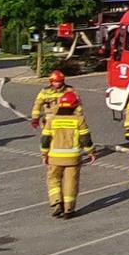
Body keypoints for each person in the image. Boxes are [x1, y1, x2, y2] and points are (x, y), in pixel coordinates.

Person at [40, 90, 95, 218]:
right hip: (73, 158)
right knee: (71, 182)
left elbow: (45, 139)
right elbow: (85, 139)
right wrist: (91, 152)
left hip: (54, 157)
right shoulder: (79, 120)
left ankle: (56, 202)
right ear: (74, 105)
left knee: (53, 180)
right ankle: (69, 209)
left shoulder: (52, 120)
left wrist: (44, 154)